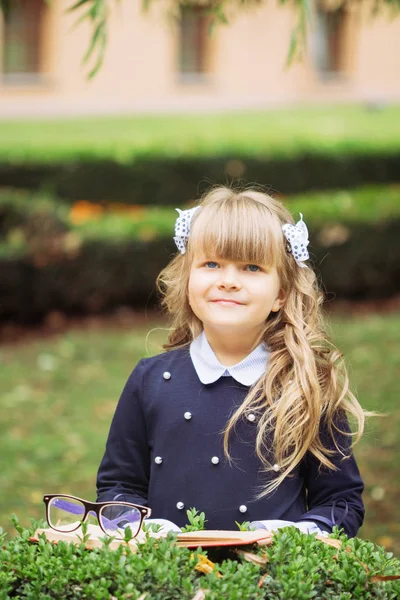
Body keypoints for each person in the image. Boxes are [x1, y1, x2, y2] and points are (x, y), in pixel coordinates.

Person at [96, 186, 366, 537]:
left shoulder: (308, 383)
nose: (228, 281)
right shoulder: (150, 379)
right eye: (211, 264)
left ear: (281, 294)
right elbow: (118, 487)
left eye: (251, 267)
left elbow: (341, 500)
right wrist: (145, 531)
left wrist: (291, 538)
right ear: (187, 278)